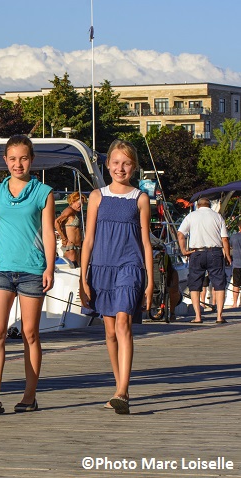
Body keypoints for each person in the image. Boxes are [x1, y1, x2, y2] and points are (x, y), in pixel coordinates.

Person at [0, 135, 56, 415]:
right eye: (12, 159)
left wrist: (50, 267)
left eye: (23, 158)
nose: (18, 164)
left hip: (32, 268)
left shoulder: (44, 192)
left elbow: (47, 232)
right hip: (0, 268)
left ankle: (29, 395)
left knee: (30, 333)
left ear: (31, 160)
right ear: (5, 161)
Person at [80, 139, 154, 415]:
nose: (120, 168)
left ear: (133, 167)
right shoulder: (97, 196)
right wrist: (82, 277)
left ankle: (123, 390)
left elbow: (146, 242)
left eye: (126, 163)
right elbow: (88, 240)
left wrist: (150, 280)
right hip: (101, 268)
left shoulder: (140, 198)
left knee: (123, 322)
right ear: (107, 164)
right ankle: (117, 387)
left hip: (129, 267)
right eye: (115, 163)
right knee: (109, 331)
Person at [176, 196, 231, 324]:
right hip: (215, 252)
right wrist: (227, 255)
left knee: (195, 284)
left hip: (197, 252)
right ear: (209, 206)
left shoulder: (191, 216)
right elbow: (225, 239)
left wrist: (184, 250)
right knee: (219, 283)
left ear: (198, 205)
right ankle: (219, 316)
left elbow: (180, 234)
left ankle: (198, 316)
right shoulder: (217, 217)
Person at [54, 192, 87, 266]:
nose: (81, 206)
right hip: (71, 247)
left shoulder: (75, 212)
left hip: (77, 247)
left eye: (83, 204)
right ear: (73, 201)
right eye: (80, 203)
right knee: (73, 268)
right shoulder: (69, 210)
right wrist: (64, 238)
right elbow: (56, 222)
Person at [230, 223, 241, 308]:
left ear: (239, 227)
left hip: (237, 264)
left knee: (236, 285)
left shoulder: (234, 237)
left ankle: (235, 303)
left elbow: (229, 246)